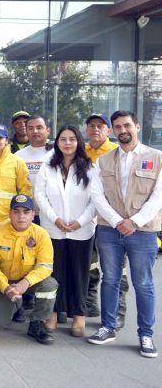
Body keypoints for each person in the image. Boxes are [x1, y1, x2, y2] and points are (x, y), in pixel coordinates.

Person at [88, 110, 162, 358]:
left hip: (143, 231)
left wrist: (135, 222)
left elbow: (158, 197)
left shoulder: (157, 158)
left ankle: (146, 334)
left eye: (127, 125)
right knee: (110, 279)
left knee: (143, 283)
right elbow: (97, 195)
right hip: (110, 230)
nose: (123, 130)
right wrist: (118, 221)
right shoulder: (103, 161)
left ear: (137, 127)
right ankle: (108, 327)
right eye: (118, 127)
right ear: (113, 131)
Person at [34, 125, 96, 337]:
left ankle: (79, 315)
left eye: (72, 139)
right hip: (53, 228)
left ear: (78, 142)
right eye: (63, 139)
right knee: (55, 272)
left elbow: (95, 199)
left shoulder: (89, 167)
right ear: (57, 142)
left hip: (82, 230)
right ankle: (53, 312)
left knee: (79, 273)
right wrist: (55, 219)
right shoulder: (48, 166)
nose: (67, 143)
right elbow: (39, 195)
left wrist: (80, 221)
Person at [0, 195, 57, 345]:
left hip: (29, 282)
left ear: (33, 215)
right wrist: (5, 287)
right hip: (5, 282)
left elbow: (45, 267)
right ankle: (16, 303)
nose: (21, 216)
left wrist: (25, 282)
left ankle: (37, 323)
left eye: (26, 212)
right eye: (16, 211)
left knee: (49, 285)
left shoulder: (41, 234)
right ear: (9, 213)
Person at [84, 113, 125, 322]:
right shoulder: (82, 151)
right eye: (91, 126)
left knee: (116, 268)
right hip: (87, 217)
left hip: (112, 218)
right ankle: (90, 303)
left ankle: (118, 313)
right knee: (89, 264)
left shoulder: (116, 152)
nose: (95, 130)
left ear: (108, 131)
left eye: (100, 126)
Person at [14, 114, 52, 215]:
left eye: (39, 128)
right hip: (26, 213)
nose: (35, 131)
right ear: (26, 131)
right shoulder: (18, 156)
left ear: (48, 130)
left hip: (52, 214)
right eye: (30, 128)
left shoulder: (57, 153)